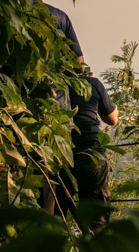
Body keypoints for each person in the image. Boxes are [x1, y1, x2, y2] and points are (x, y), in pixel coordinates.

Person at [44, 65, 118, 231]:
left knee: (56, 218)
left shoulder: (50, 86)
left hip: (59, 155)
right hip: (91, 153)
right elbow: (112, 119)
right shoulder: (92, 84)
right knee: (98, 221)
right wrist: (89, 82)